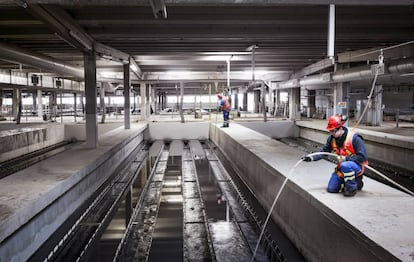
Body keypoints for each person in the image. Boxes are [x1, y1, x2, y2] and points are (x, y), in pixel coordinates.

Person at [301, 115, 368, 197]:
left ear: (341, 128)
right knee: (331, 189)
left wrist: (346, 158)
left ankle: (352, 188)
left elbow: (362, 157)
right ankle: (346, 182)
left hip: (356, 166)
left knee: (345, 165)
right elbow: (325, 152)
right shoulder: (332, 139)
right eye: (330, 131)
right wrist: (311, 157)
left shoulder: (355, 138)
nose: (332, 133)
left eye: (333, 131)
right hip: (342, 168)